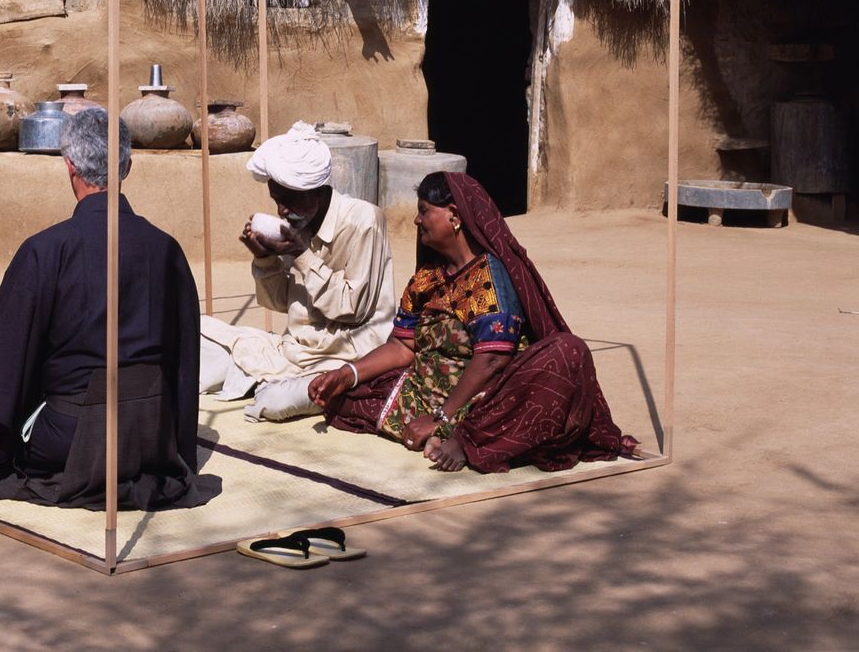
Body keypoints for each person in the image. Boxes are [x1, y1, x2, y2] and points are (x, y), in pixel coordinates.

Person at [0, 108, 220, 509]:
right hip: (151, 434)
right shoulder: (166, 248)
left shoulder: (45, 250)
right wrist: (176, 448)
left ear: (70, 167)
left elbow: (1, 383)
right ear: (127, 166)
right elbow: (185, 364)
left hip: (71, 438)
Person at [309, 171, 637, 472]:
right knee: (344, 397)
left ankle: (467, 439)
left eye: (424, 211)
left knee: (568, 352)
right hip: (426, 390)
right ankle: (435, 427)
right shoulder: (427, 277)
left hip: (483, 400)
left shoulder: (489, 277)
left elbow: (493, 359)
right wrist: (345, 373)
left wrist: (441, 418)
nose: (416, 219)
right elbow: (401, 345)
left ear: (453, 215)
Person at [199, 121, 396, 422]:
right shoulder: (297, 226)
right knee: (195, 334)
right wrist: (264, 259)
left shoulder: (364, 221)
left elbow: (351, 310)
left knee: (275, 403)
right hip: (292, 350)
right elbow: (281, 303)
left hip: (341, 358)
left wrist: (299, 254)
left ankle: (265, 383)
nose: (281, 211)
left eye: (288, 201)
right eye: (277, 201)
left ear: (315, 191)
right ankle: (260, 378)